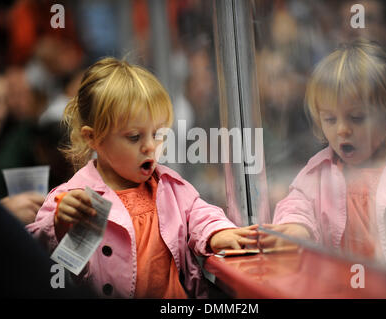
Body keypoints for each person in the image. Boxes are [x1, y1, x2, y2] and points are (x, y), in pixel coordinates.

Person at [26, 57, 258, 299]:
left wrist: (217, 233)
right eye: (135, 137)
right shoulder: (76, 200)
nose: (150, 147)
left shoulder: (169, 188)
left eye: (158, 134)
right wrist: (60, 227)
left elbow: (200, 214)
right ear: (92, 138)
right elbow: (38, 258)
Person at [264, 39, 386, 282]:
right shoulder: (316, 175)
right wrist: (294, 229)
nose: (342, 130)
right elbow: (297, 205)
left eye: (356, 117)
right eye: (330, 120)